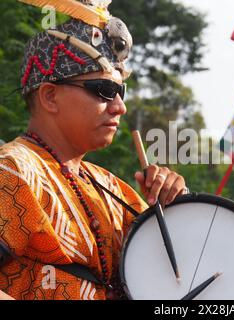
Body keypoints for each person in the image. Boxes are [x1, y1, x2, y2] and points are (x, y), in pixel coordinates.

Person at [0, 0, 187, 300]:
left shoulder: (114, 189)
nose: (120, 107)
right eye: (104, 90)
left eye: (120, 92)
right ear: (49, 96)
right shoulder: (12, 171)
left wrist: (179, 209)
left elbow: (179, 279)